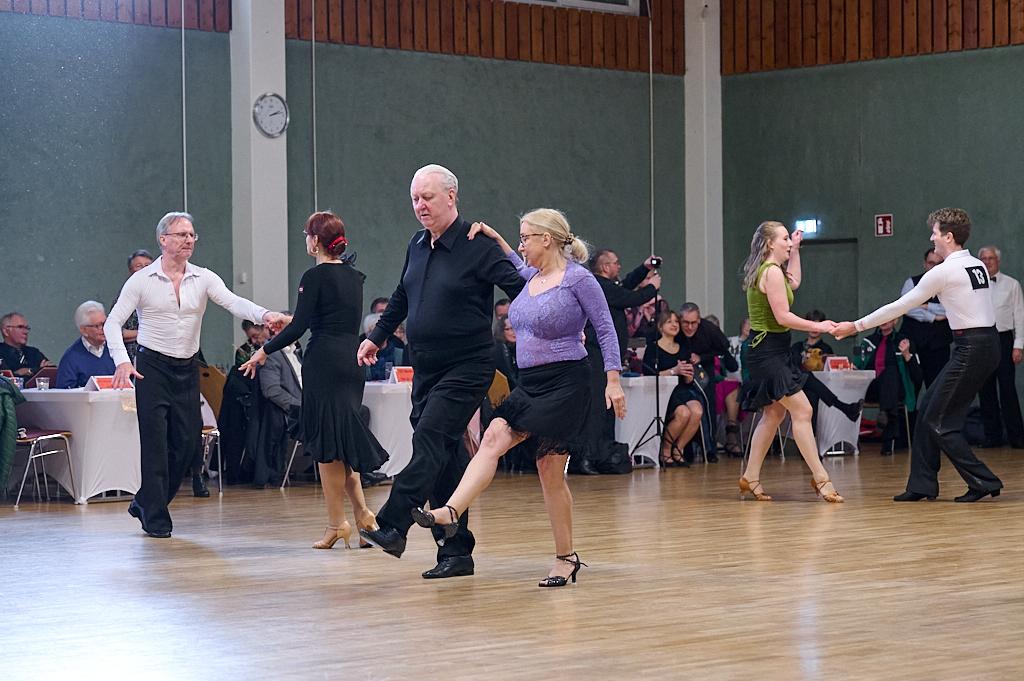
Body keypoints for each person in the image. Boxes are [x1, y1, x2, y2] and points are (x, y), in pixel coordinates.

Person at [410, 210, 625, 587]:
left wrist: (613, 380)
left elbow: (605, 329)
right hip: (530, 383)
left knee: (549, 472)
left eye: (526, 237)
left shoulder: (578, 279)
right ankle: (450, 511)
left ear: (548, 239)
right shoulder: (531, 279)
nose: (521, 243)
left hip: (567, 383)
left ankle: (565, 557)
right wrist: (495, 238)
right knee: (494, 437)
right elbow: (513, 261)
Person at [356, 164, 523, 579]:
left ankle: (394, 522)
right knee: (444, 456)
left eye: (427, 197)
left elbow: (521, 286)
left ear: (451, 196)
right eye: (414, 198)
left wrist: (533, 326)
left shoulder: (478, 246)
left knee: (430, 436)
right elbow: (401, 296)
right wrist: (376, 335)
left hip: (468, 365)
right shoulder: (417, 243)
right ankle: (456, 552)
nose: (419, 206)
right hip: (425, 366)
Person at [105, 211, 284, 538]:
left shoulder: (203, 277)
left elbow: (233, 302)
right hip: (151, 369)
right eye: (181, 234)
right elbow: (112, 322)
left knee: (188, 445)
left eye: (192, 235)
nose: (189, 240)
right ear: (163, 239)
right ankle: (156, 516)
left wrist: (265, 314)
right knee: (156, 445)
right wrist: (121, 361)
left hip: (186, 369)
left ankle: (146, 500)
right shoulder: (142, 280)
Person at [834, 208, 1004, 503]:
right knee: (927, 410)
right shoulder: (975, 264)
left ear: (948, 237)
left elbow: (900, 306)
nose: (931, 237)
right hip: (981, 344)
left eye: (935, 232)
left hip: (973, 347)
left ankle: (984, 480)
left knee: (939, 421)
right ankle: (923, 484)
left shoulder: (945, 270)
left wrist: (856, 326)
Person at [242, 211, 389, 546]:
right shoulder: (354, 277)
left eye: (307, 234)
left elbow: (299, 327)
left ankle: (336, 524)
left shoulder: (315, 275)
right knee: (340, 444)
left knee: (326, 447)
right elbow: (327, 316)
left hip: (323, 361)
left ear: (315, 240)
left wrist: (264, 350)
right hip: (352, 361)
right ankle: (364, 517)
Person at [737, 221, 843, 503]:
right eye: (784, 238)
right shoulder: (770, 272)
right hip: (767, 352)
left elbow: (794, 282)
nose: (788, 242)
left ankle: (750, 476)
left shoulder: (776, 273)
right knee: (803, 410)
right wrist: (818, 327)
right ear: (770, 244)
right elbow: (783, 317)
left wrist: (796, 250)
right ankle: (821, 478)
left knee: (774, 414)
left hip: (774, 350)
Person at [579, 250, 660, 473]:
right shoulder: (599, 285)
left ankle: (602, 454)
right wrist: (652, 287)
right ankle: (589, 456)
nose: (619, 266)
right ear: (605, 268)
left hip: (605, 355)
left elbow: (624, 287)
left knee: (606, 407)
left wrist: (644, 268)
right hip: (596, 355)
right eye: (616, 263)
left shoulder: (605, 285)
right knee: (597, 406)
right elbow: (628, 298)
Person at [642, 311, 705, 467]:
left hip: (681, 388)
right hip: (662, 391)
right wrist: (673, 371)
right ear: (661, 326)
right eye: (669, 321)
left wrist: (689, 376)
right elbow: (649, 373)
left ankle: (679, 449)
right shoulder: (653, 348)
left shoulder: (683, 348)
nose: (674, 324)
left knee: (697, 410)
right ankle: (666, 450)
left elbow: (686, 376)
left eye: (676, 321)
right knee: (683, 413)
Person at [976, 246, 1024, 449]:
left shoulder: (1011, 284)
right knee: (985, 391)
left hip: (1004, 340)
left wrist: (1018, 345)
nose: (987, 262)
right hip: (982, 340)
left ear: (998, 261)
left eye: (991, 258)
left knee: (1007, 389)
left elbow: (1019, 316)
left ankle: (1017, 437)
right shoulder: (974, 285)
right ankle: (992, 437)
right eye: (984, 259)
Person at [250, 313, 303, 489]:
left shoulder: (299, 352)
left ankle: (356, 470)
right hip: (295, 410)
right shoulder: (271, 353)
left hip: (309, 405)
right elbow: (271, 390)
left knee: (358, 411)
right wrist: (300, 406)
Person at [858, 318, 922, 455]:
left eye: (888, 317)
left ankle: (885, 415)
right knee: (887, 377)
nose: (883, 320)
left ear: (896, 321)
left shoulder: (904, 342)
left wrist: (906, 355)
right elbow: (857, 366)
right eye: (880, 316)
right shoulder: (867, 342)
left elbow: (917, 376)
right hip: (871, 388)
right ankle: (887, 430)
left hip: (897, 390)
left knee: (890, 372)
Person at [898, 248, 952, 388]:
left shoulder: (950, 286)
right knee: (910, 385)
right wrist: (933, 316)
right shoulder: (912, 282)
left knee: (937, 387)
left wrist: (926, 306)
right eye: (931, 263)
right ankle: (911, 411)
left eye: (938, 263)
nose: (934, 267)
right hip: (913, 343)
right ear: (925, 264)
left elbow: (951, 309)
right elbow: (907, 308)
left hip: (939, 344)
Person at [55, 301, 116, 389]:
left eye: (105, 323)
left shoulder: (117, 349)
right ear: (84, 330)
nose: (103, 329)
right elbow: (64, 393)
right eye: (97, 326)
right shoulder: (71, 358)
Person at [112, 249, 155, 362]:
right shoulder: (124, 296)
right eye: (139, 266)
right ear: (131, 271)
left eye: (147, 265)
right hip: (133, 356)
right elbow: (116, 331)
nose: (144, 269)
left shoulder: (163, 292)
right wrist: (148, 332)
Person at [0, 312, 53, 378]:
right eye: (20, 327)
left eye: (26, 328)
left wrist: (30, 371)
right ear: (5, 331)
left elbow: (51, 371)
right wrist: (38, 370)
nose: (25, 332)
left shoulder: (33, 352)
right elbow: (5, 378)